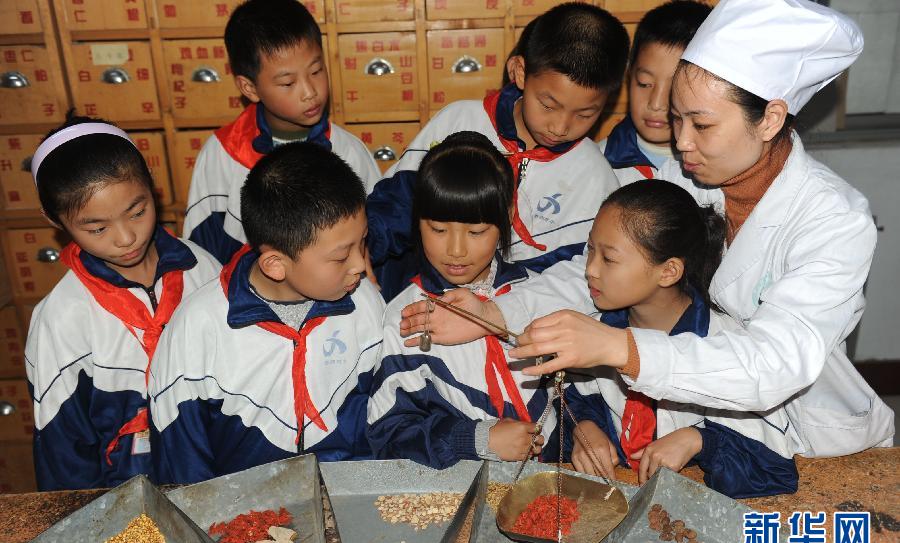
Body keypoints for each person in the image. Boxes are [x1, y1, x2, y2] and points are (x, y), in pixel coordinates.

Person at [398, 0, 894, 469]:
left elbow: (773, 364)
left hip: (816, 443)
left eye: (701, 124)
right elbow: (602, 267)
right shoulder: (687, 179)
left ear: (770, 118)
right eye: (678, 119)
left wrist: (621, 348)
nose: (680, 142)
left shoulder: (834, 221)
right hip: (696, 425)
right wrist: (497, 309)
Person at [149, 142, 384, 484]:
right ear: (276, 265)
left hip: (350, 501)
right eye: (341, 255)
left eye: (362, 242)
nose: (361, 265)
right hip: (242, 517)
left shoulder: (365, 304)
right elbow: (182, 462)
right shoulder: (198, 329)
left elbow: (383, 419)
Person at [367, 2, 627, 299]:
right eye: (548, 105)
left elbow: (580, 277)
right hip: (421, 299)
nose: (560, 126)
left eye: (584, 114)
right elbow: (396, 206)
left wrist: (503, 310)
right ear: (519, 72)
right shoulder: (459, 120)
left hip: (517, 319)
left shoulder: (593, 175)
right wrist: (363, 245)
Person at [561, 180, 798, 498]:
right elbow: (575, 396)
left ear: (668, 271)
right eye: (590, 250)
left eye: (609, 259)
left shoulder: (727, 345)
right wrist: (584, 427)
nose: (590, 269)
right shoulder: (598, 331)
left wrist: (699, 440)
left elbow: (774, 468)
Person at [26, 115, 220, 491]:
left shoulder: (204, 269)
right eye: (97, 228)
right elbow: (63, 450)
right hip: (122, 500)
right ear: (55, 219)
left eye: (137, 211)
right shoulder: (62, 317)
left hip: (211, 478)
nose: (127, 237)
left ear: (152, 185)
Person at [367, 132, 553, 469]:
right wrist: (476, 438)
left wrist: (589, 426)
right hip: (456, 496)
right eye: (438, 229)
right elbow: (388, 433)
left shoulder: (537, 293)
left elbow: (582, 389)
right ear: (416, 220)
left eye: (476, 232)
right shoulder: (405, 316)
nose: (456, 250)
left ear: (507, 215)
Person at [182, 0, 380, 265]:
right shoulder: (223, 155)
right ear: (249, 88)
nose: (310, 92)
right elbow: (204, 254)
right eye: (288, 83)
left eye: (316, 71)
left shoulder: (348, 151)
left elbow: (376, 238)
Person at [599, 1, 711, 185]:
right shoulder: (598, 166)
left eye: (673, 88)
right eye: (644, 84)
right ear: (628, 77)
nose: (656, 103)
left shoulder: (722, 168)